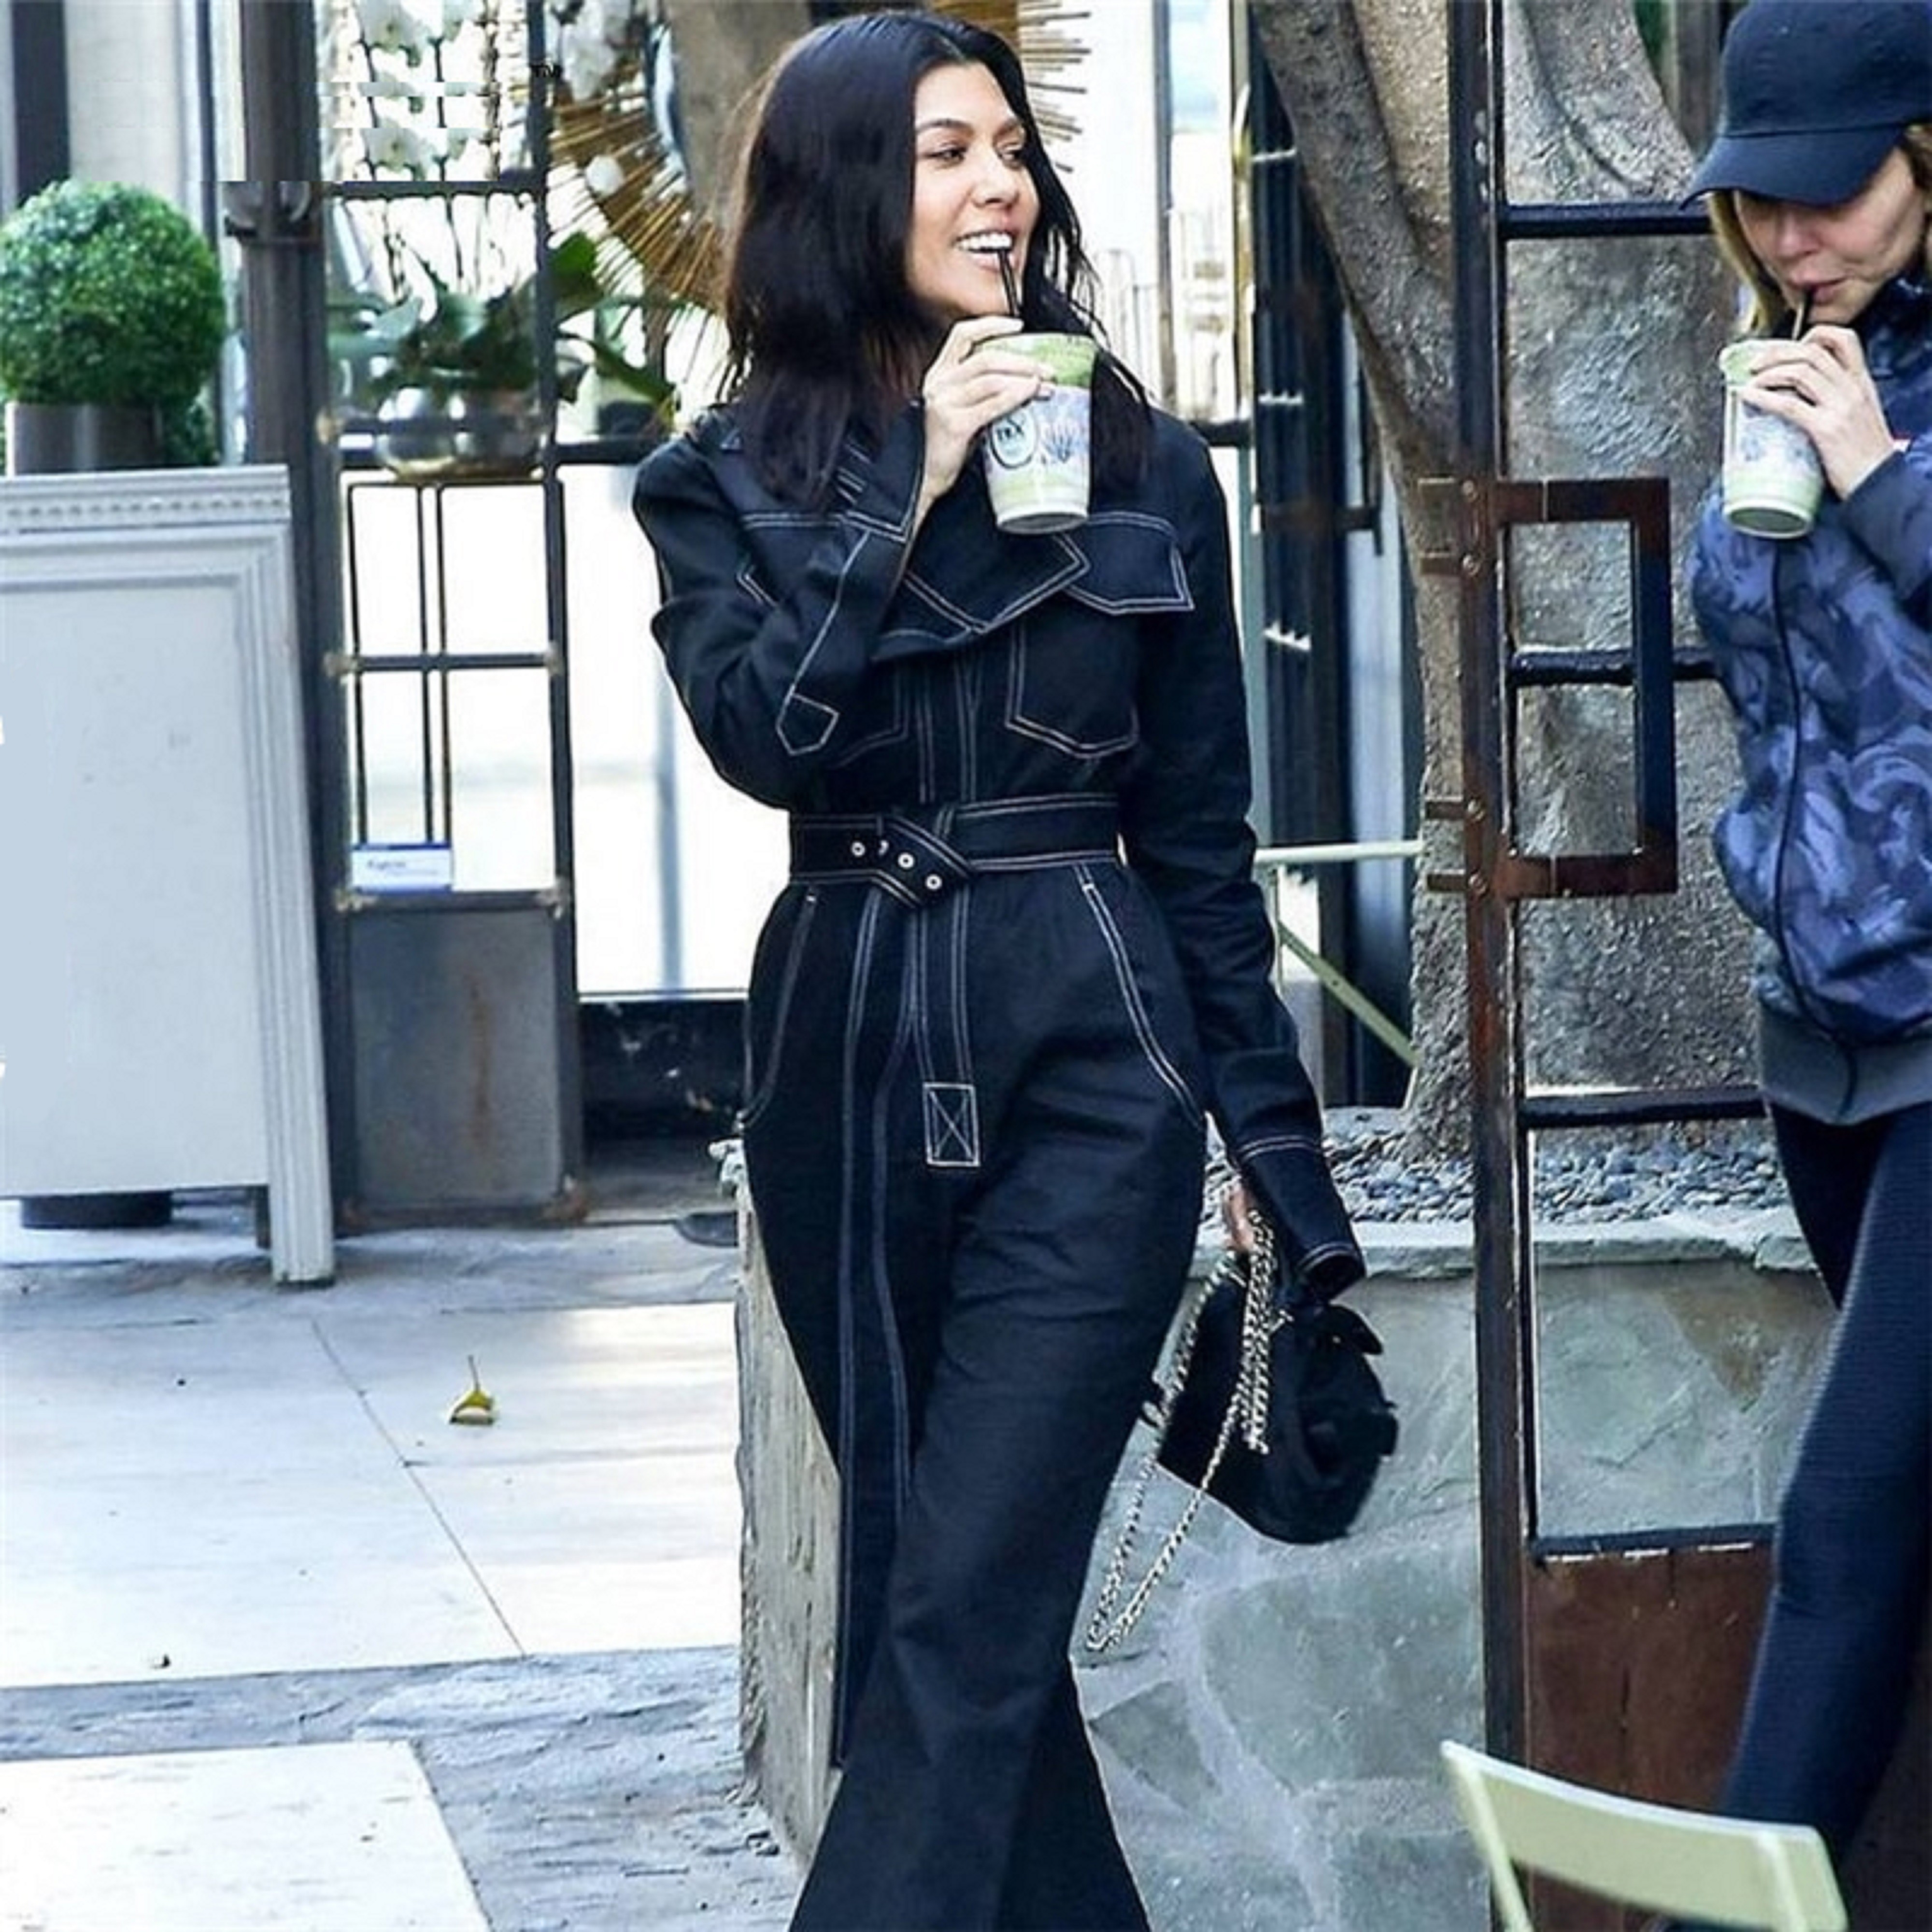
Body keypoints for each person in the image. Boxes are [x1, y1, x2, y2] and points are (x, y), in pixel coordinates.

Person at [631, 11, 1364, 1926]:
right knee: (954, 1615)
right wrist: (913, 485)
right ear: (846, 193)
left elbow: (1201, 851)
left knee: (961, 1613)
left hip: (1093, 1063)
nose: (999, 188)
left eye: (1011, 148)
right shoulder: (715, 485)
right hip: (848, 1057)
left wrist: (1286, 1177)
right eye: (947, 152)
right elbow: (765, 738)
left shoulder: (1150, 468)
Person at [1684, 0, 1932, 1879]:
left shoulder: (1867, 409)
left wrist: (1881, 475)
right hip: (1824, 1038)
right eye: (1759, 199)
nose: (1789, 234)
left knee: (1843, 1520)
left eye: (1828, 192)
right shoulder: (1787, 357)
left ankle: (1731, 1917)